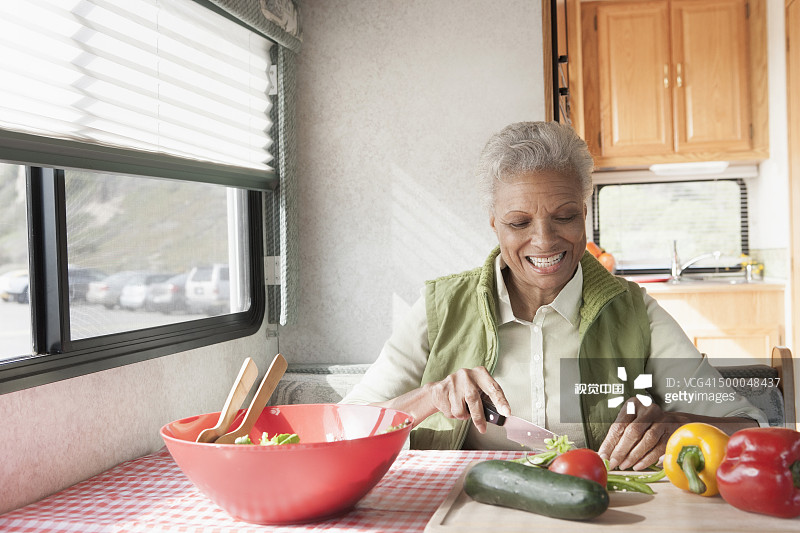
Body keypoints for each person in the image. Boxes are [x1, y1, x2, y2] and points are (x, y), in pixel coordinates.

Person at [341, 121, 766, 470]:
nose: (543, 241)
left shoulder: (636, 312)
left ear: (585, 213)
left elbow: (749, 427)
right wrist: (430, 396)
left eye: (564, 216)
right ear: (494, 223)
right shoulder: (441, 308)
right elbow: (346, 424)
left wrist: (679, 425)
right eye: (519, 222)